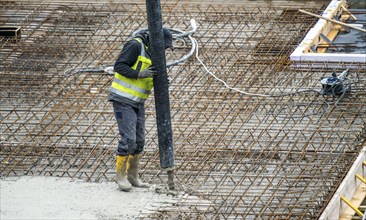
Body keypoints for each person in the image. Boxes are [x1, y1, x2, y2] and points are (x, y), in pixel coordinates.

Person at [108, 29, 173, 191]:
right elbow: (119, 66)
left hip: (138, 102)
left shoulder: (153, 53)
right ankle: (120, 176)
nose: (163, 51)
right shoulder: (135, 46)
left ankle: (132, 176)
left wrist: (161, 82)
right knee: (128, 139)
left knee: (139, 141)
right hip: (123, 100)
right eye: (163, 47)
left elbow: (150, 78)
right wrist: (139, 74)